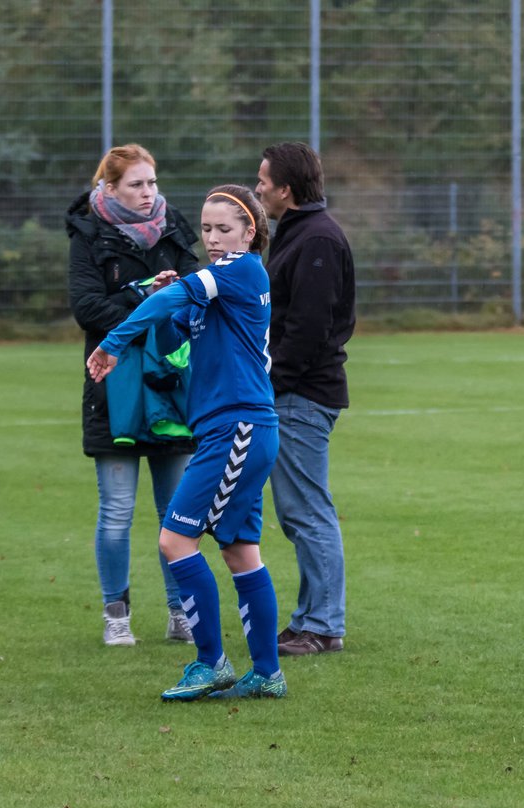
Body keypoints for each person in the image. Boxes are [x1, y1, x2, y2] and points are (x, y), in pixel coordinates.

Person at [86, 184, 285, 701]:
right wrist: (161, 299)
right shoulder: (216, 283)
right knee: (241, 550)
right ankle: (266, 672)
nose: (214, 238)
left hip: (237, 425)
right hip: (235, 428)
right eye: (207, 229)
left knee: (175, 541)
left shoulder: (242, 269)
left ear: (250, 231)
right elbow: (176, 341)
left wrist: (112, 342)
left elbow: (181, 298)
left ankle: (211, 662)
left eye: (225, 229)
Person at [67, 143, 199, 647]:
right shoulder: (88, 233)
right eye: (136, 185)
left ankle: (180, 612)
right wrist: (144, 295)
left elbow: (195, 292)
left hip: (170, 387)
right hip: (113, 392)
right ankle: (116, 614)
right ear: (110, 187)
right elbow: (87, 308)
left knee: (176, 512)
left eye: (153, 182)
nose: (148, 194)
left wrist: (175, 289)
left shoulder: (174, 226)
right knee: (117, 512)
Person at [254, 143, 356, 657]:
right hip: (294, 392)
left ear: (286, 189)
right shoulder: (299, 235)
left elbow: (310, 328)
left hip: (301, 396)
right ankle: (308, 620)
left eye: (263, 181)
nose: (258, 189)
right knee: (298, 510)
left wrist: (273, 382)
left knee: (308, 510)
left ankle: (322, 624)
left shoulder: (316, 239)